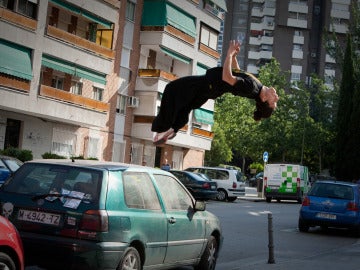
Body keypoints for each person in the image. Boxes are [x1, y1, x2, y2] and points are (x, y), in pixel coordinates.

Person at [152, 40, 279, 145]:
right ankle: (173, 129)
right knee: (186, 105)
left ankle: (163, 128)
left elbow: (227, 78)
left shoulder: (252, 88)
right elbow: (237, 72)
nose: (277, 97)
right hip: (211, 89)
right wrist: (234, 57)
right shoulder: (256, 86)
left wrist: (229, 54)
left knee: (171, 88)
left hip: (207, 84)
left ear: (264, 100)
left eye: (274, 102)